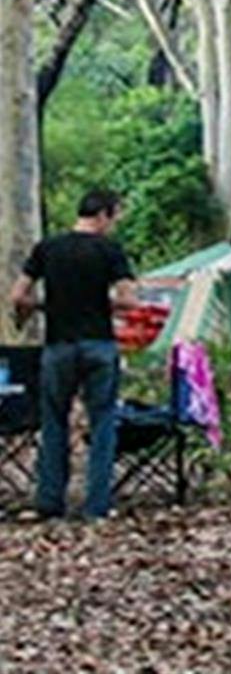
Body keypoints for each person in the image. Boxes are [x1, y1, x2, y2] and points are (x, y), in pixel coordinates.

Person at [8, 190, 137, 521]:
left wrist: (47, 306)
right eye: (115, 216)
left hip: (58, 345)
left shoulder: (47, 247)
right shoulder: (110, 250)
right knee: (103, 422)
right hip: (99, 345)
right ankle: (97, 506)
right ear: (103, 214)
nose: (114, 224)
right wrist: (96, 303)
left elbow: (18, 295)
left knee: (53, 421)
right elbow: (128, 301)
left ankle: (50, 502)